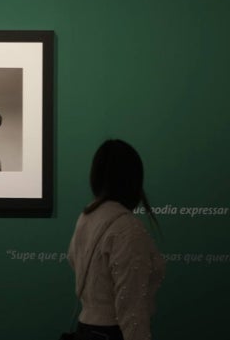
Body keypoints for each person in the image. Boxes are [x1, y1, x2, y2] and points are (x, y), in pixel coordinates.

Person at [67, 139, 165, 340]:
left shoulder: (87, 216)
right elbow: (132, 308)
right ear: (133, 179)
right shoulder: (127, 228)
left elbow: (72, 259)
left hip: (85, 329)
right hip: (113, 332)